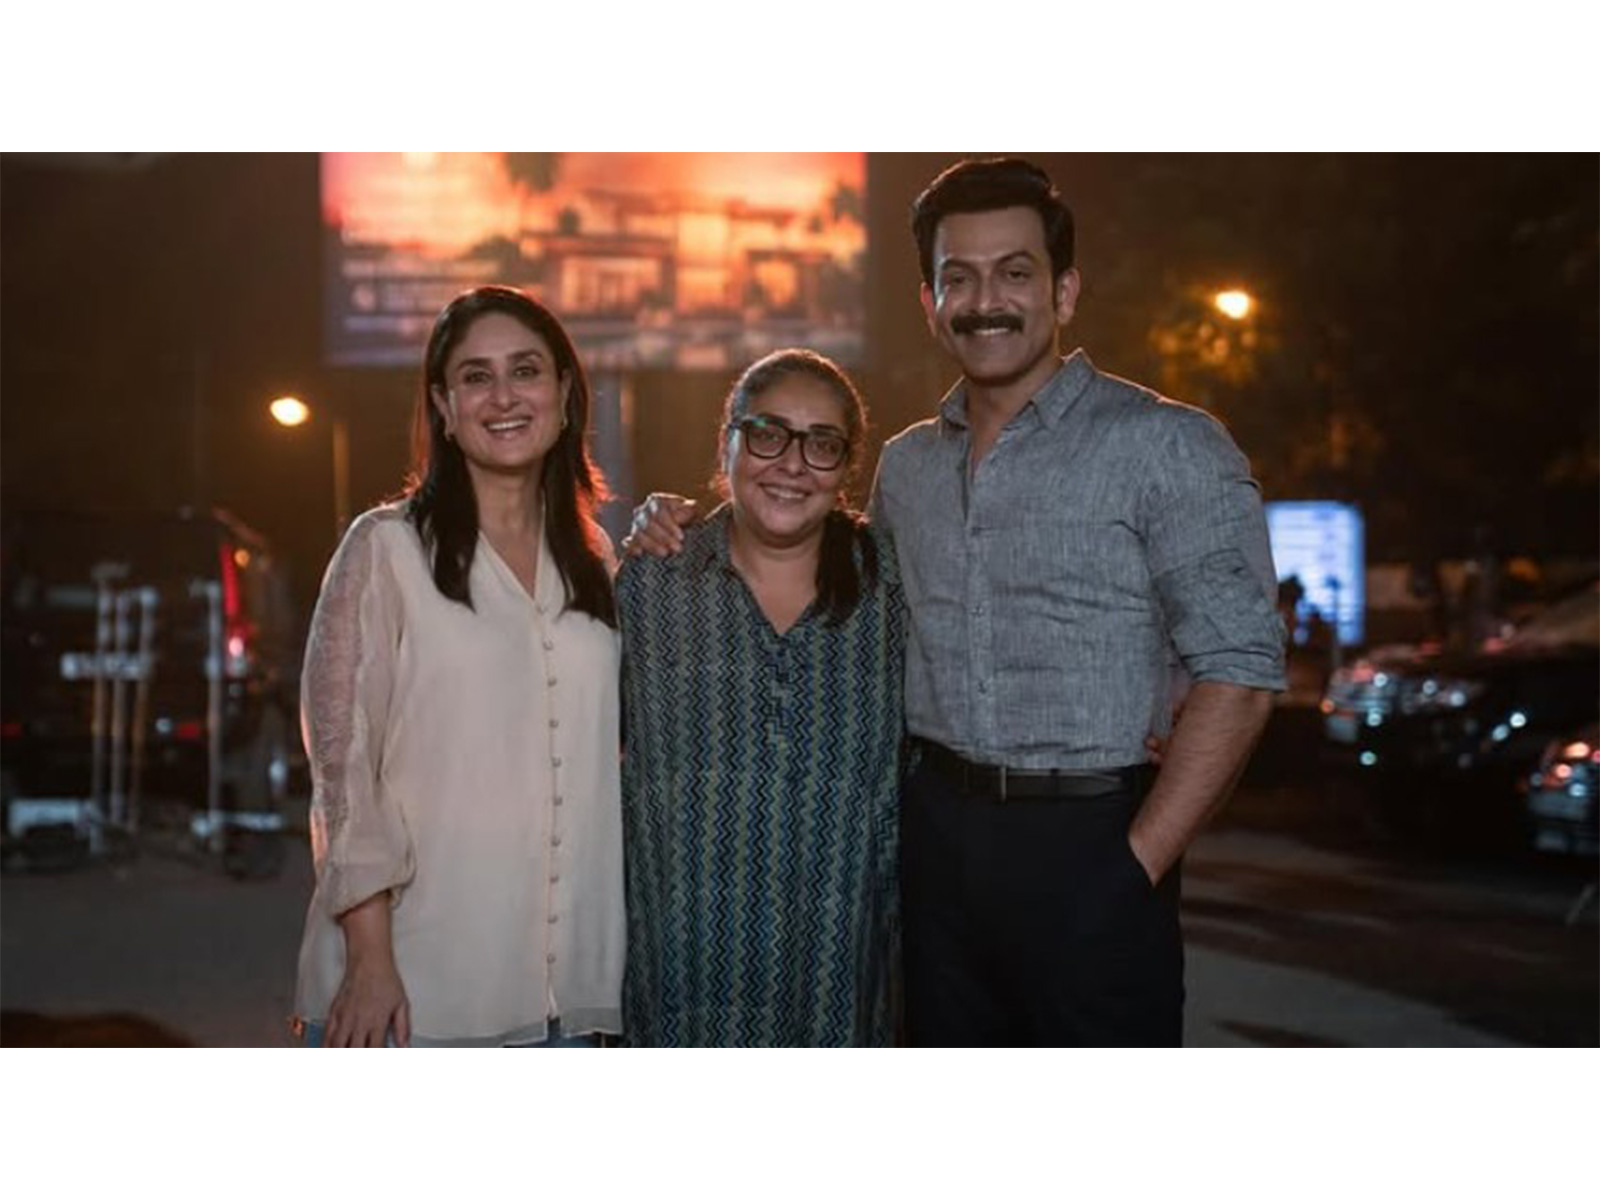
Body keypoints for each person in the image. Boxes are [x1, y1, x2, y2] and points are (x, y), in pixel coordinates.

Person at [628, 158, 1285, 1047]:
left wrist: (1137, 865)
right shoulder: (907, 466)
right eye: (959, 278)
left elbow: (1240, 670)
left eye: (1015, 273)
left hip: (1093, 837)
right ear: (931, 302)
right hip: (932, 849)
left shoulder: (1164, 445)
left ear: (1065, 290)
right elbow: (795, 532)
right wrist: (665, 522)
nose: (987, 301)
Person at [292, 285, 624, 1047]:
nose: (503, 396)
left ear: (565, 394)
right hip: (415, 985)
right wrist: (371, 959)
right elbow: (342, 770)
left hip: (572, 999)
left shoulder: (599, 562)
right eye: (476, 377)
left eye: (526, 371)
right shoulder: (385, 550)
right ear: (443, 406)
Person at [616, 348, 904, 1047]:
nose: (792, 464)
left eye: (823, 445)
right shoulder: (654, 582)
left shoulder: (892, 587)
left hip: (839, 981)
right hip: (682, 978)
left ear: (847, 469)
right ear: (729, 442)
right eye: (768, 433)